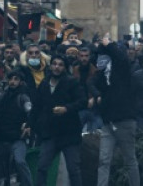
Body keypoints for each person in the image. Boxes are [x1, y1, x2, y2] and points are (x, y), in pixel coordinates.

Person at [30, 55, 86, 186]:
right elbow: (36, 107)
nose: (57, 67)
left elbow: (83, 101)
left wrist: (66, 108)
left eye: (60, 65)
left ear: (65, 68)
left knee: (73, 169)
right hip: (50, 133)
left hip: (69, 133)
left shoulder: (72, 82)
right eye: (54, 64)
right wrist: (31, 125)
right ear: (50, 66)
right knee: (42, 166)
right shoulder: (44, 83)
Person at [94, 36, 140, 186]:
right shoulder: (102, 74)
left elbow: (121, 58)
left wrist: (110, 44)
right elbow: (94, 84)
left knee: (129, 159)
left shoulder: (122, 70)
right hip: (108, 121)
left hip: (124, 120)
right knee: (103, 160)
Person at [0, 70, 34, 186]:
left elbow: (31, 114)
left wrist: (28, 125)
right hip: (2, 138)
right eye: (11, 79)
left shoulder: (23, 98)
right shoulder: (2, 97)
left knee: (20, 162)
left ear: (21, 82)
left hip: (18, 138)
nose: (12, 82)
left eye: (16, 79)